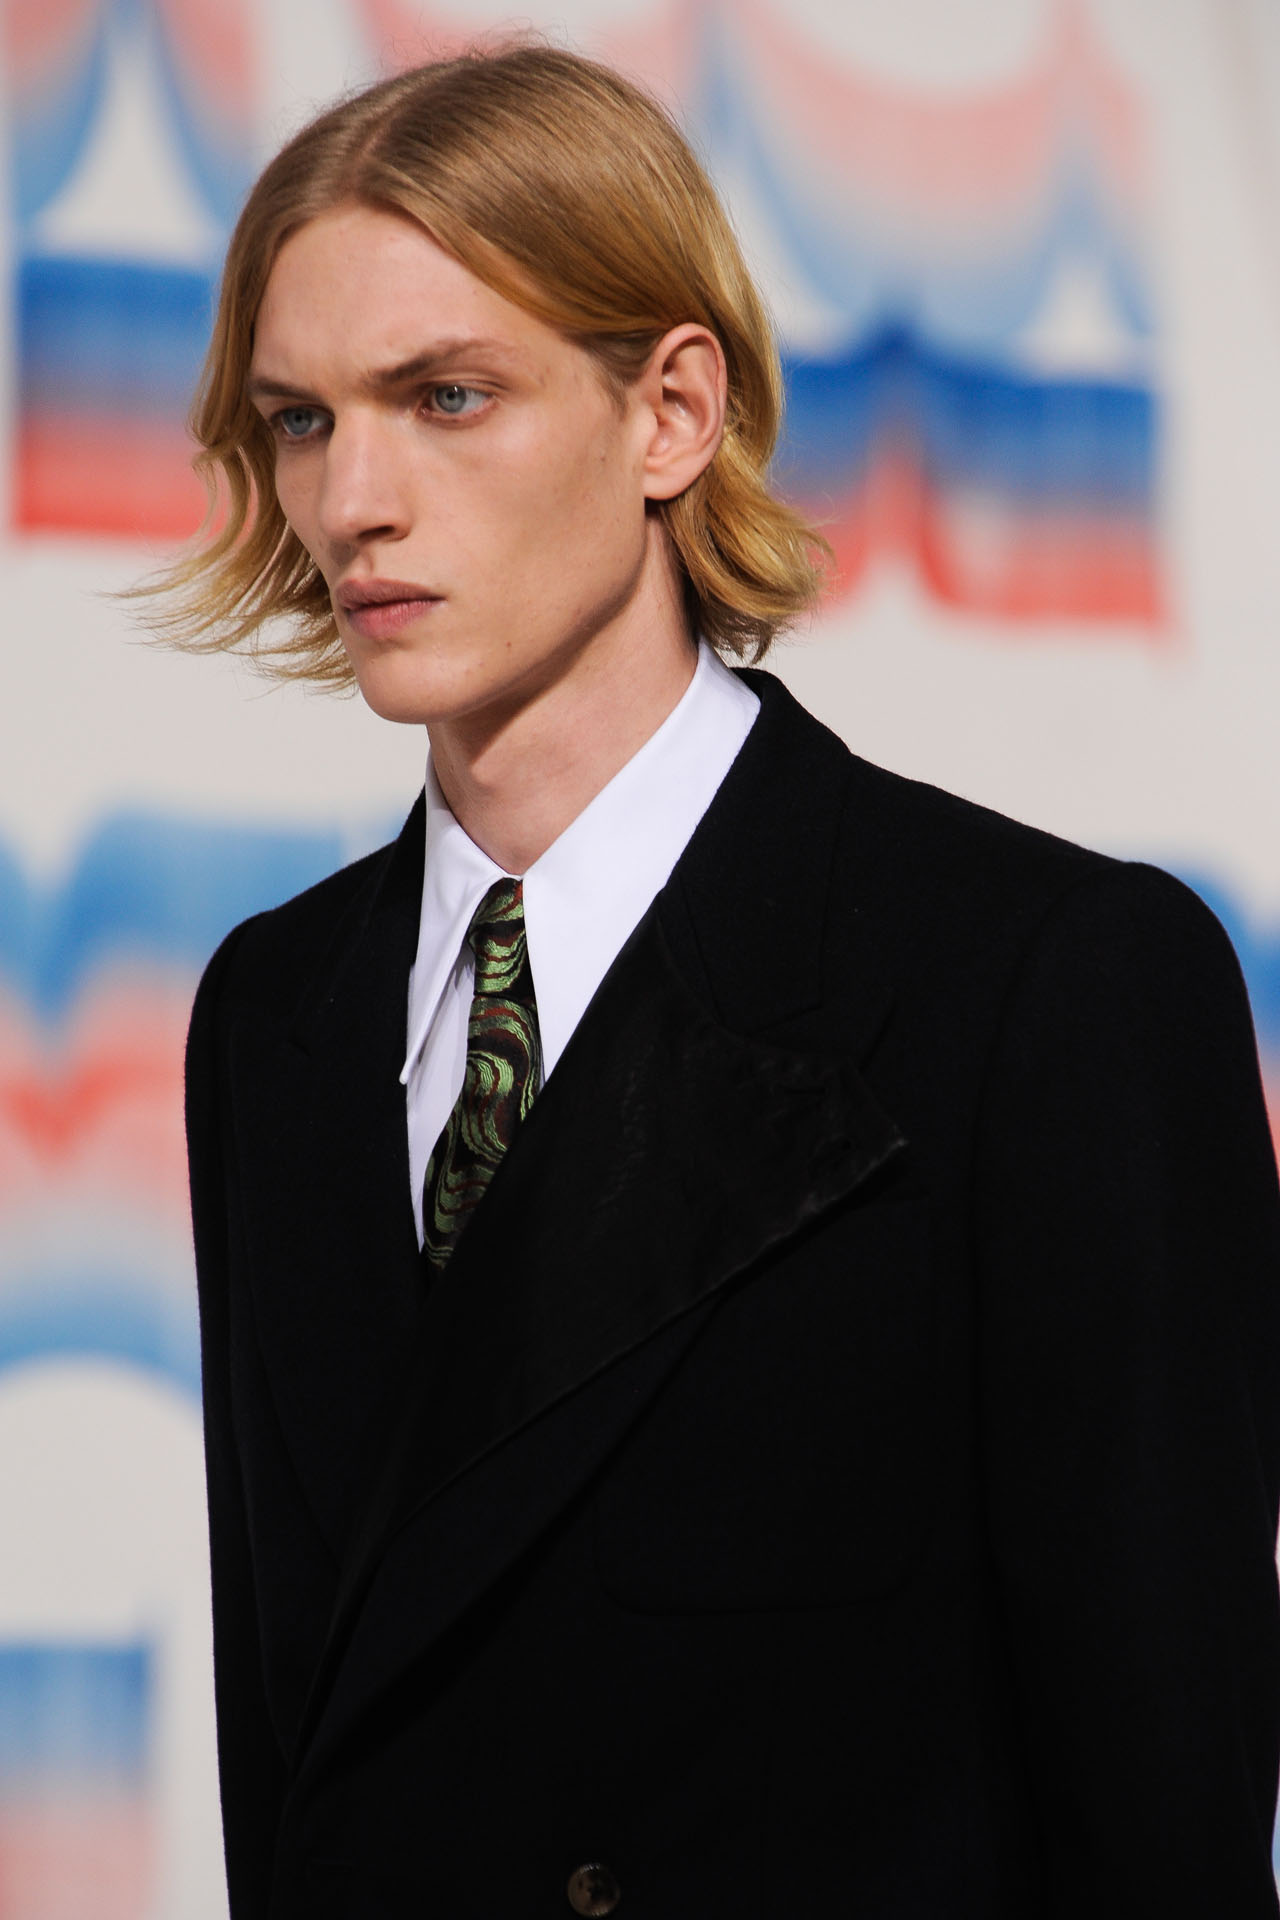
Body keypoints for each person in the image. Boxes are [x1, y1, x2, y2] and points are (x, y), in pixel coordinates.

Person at [164, 41, 1280, 1920]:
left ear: (671, 412)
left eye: (446, 396)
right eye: (299, 419)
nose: (352, 498)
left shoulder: (1045, 990)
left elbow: (1163, 1828)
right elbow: (291, 1777)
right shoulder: (274, 1015)